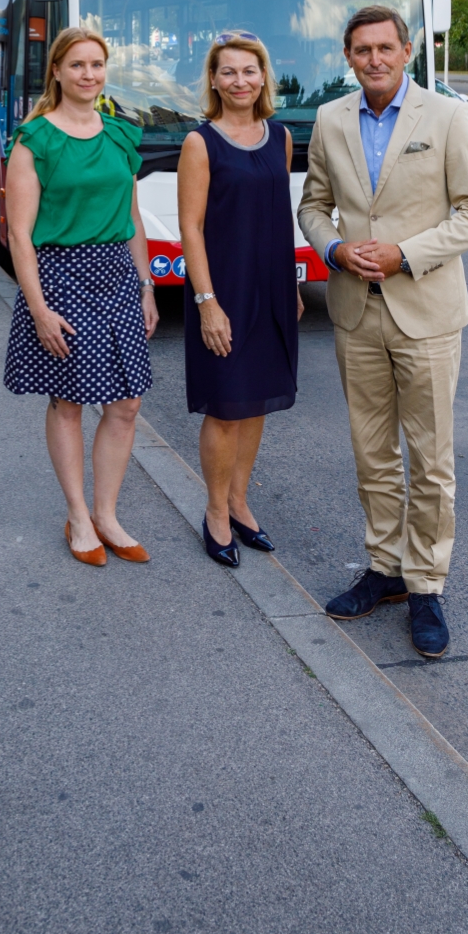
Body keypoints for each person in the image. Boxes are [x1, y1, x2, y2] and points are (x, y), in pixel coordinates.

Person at [298, 6, 468, 658]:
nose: (374, 59)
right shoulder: (331, 119)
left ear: (406, 51)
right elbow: (313, 205)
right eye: (362, 50)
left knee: (431, 458)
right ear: (348, 56)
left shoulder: (445, 118)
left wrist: (404, 253)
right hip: (355, 311)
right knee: (371, 452)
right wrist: (332, 251)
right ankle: (383, 570)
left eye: (385, 48)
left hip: (427, 312)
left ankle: (425, 585)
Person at [4, 27, 159, 567]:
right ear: (57, 71)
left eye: (96, 65)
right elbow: (19, 234)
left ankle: (107, 514)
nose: (88, 74)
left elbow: (134, 217)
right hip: (61, 280)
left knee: (126, 403)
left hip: (118, 276)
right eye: (77, 65)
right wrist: (39, 308)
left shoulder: (120, 135)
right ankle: (77, 517)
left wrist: (147, 288)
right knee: (68, 402)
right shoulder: (34, 140)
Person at [178, 32, 301, 567]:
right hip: (222, 289)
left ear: (263, 77)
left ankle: (240, 500)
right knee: (227, 407)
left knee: (256, 404)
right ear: (212, 80)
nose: (240, 81)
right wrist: (207, 301)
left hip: (272, 287)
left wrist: (294, 283)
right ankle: (215, 512)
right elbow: (190, 226)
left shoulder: (282, 137)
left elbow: (283, 217)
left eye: (250, 71)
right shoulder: (200, 143)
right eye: (228, 72)